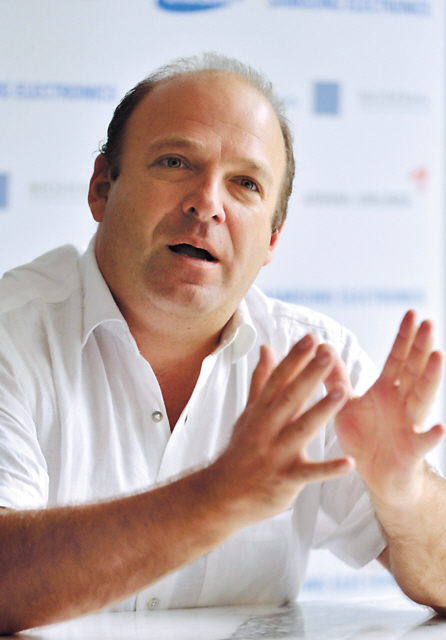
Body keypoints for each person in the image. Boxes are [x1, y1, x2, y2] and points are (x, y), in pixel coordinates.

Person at [0, 53, 445, 634]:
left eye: (245, 183)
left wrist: (402, 491)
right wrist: (219, 496)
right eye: (175, 161)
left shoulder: (312, 362)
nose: (207, 202)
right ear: (102, 189)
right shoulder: (12, 334)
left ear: (272, 239)